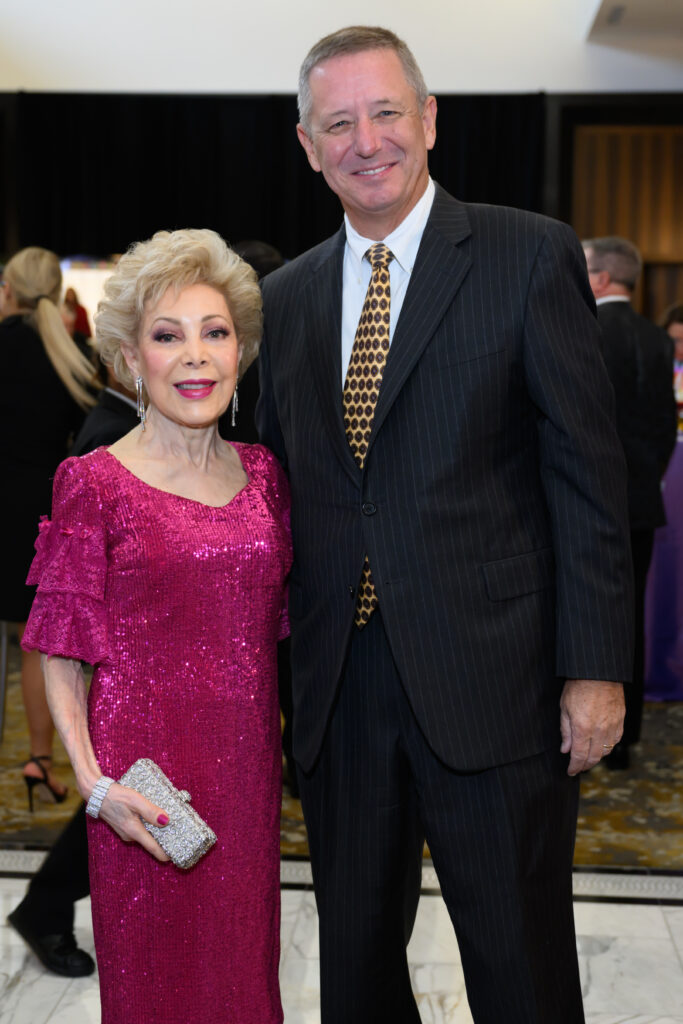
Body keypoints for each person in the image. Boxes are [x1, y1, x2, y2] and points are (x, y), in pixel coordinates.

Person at [256, 26, 633, 1024]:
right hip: (341, 696)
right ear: (306, 145)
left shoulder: (523, 253)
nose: (365, 139)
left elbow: (587, 480)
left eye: (385, 112)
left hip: (494, 686)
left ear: (428, 120)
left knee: (519, 967)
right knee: (358, 971)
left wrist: (593, 669)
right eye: (338, 122)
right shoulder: (282, 300)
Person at [21, 228, 292, 1024]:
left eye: (215, 333)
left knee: (244, 979)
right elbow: (58, 648)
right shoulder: (94, 482)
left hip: (246, 780)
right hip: (145, 790)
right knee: (158, 987)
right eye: (167, 337)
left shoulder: (267, 476)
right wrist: (97, 787)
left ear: (240, 352)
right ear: (132, 360)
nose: (195, 356)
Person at [7, 360, 138, 980]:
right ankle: (44, 906)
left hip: (141, 669)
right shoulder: (107, 440)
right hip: (124, 671)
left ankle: (45, 905)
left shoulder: (125, 422)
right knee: (114, 798)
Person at [0, 246, 96, 806]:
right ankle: (41, 757)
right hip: (40, 517)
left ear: (8, 291)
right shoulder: (71, 357)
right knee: (37, 644)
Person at [582, 238, 677, 767]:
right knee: (632, 614)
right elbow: (664, 426)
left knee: (587, 613)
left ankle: (586, 735)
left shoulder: (584, 328)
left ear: (598, 280)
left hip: (590, 501)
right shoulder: (657, 339)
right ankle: (626, 736)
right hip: (641, 502)